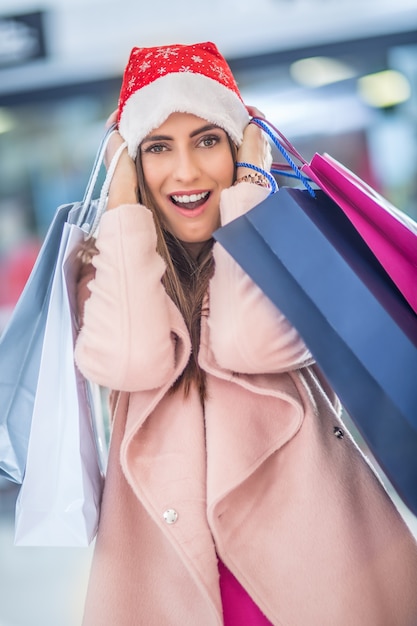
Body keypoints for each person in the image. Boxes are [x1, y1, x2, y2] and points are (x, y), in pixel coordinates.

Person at [74, 42, 417, 626]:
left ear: (239, 146)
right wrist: (122, 206)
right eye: (158, 148)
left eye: (208, 140)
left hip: (319, 565)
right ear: (131, 162)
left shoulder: (299, 243)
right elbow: (133, 360)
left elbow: (250, 344)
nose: (186, 171)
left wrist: (251, 197)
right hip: (176, 579)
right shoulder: (109, 265)